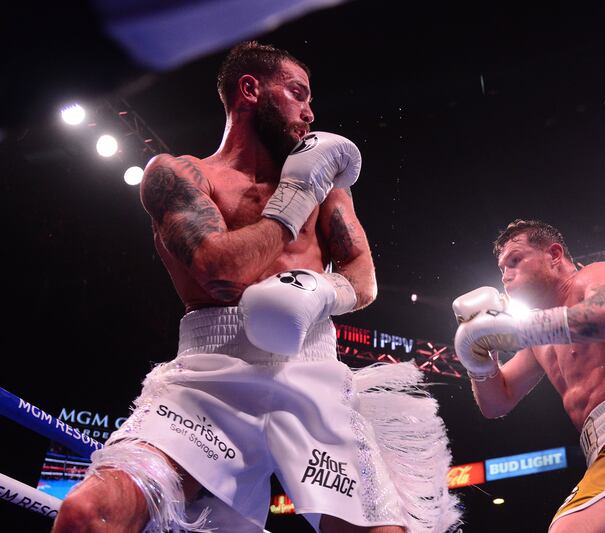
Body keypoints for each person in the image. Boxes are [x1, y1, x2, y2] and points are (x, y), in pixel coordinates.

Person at [53, 41, 460, 533]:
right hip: (210, 380)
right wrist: (293, 200)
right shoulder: (180, 174)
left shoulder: (328, 189)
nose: (310, 113)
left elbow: (362, 275)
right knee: (88, 515)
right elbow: (218, 270)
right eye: (297, 94)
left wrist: (319, 292)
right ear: (250, 90)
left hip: (313, 376)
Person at [452, 219, 605, 533]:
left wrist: (525, 329)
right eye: (502, 268)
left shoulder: (591, 276)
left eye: (515, 260)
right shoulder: (537, 340)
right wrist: (478, 360)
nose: (506, 274)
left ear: (554, 255)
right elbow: (496, 403)